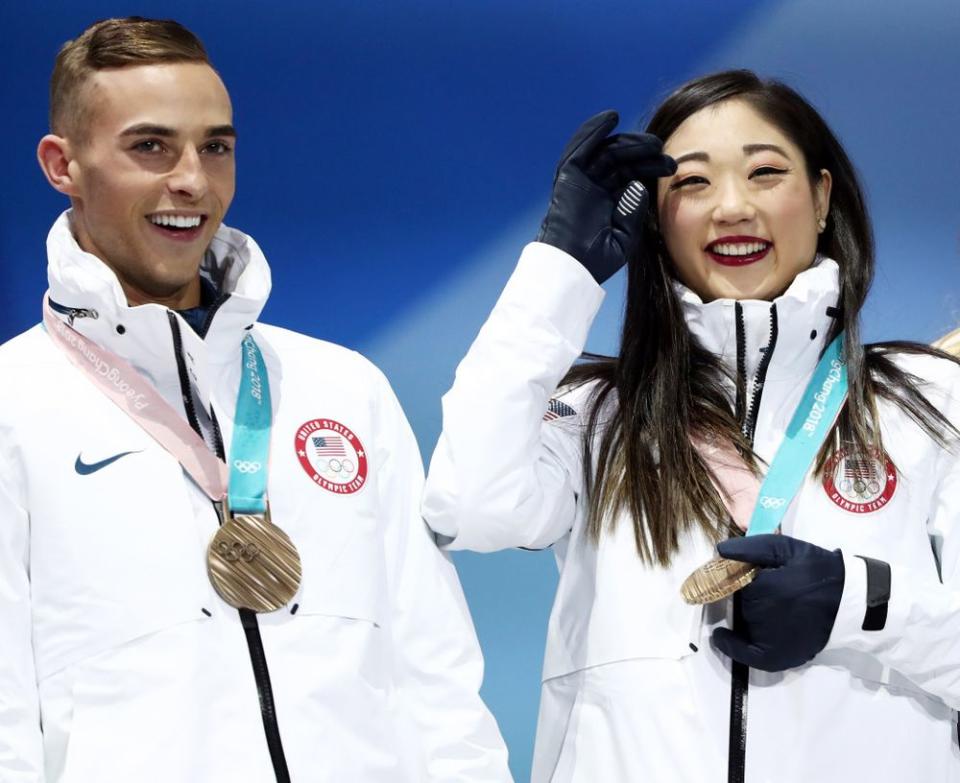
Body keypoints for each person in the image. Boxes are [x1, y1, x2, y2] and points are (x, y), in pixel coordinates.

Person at [0, 17, 511, 783]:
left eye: (216, 146)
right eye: (151, 147)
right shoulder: (15, 404)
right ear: (62, 165)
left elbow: (435, 677)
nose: (193, 181)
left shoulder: (344, 386)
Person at [423, 69, 960, 782]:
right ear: (654, 219)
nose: (732, 207)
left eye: (765, 173)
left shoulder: (932, 401)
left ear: (824, 197)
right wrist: (558, 269)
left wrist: (858, 601)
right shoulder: (596, 415)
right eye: (694, 184)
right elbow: (467, 504)